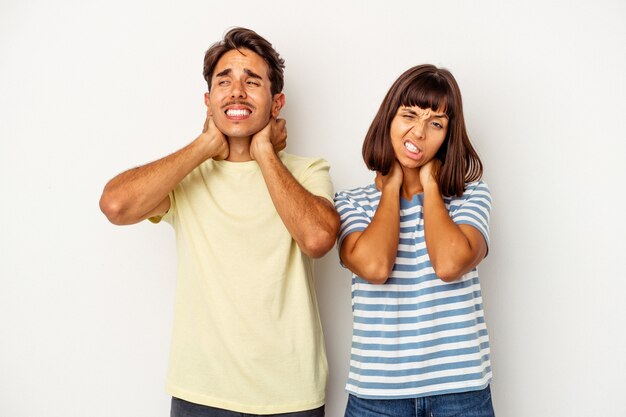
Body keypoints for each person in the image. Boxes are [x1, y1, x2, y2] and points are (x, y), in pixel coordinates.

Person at [99, 27, 339, 417]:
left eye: (252, 81)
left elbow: (317, 238)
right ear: (208, 101)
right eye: (224, 81)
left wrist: (263, 152)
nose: (237, 91)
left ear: (277, 103)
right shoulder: (186, 177)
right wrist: (205, 145)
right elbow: (115, 205)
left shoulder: (309, 170)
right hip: (201, 394)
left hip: (291, 395)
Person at [334, 64, 495, 417]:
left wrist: (432, 185)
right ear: (388, 120)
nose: (419, 132)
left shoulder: (471, 198)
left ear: (448, 137)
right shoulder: (350, 203)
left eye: (436, 123)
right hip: (376, 395)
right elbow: (375, 267)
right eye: (409, 115)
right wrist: (391, 185)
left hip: (460, 392)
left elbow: (449, 264)